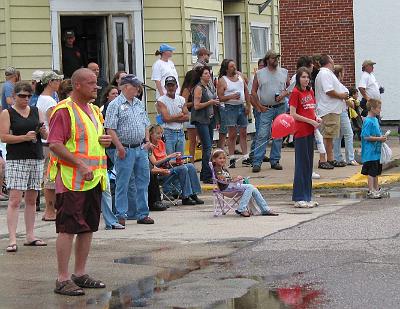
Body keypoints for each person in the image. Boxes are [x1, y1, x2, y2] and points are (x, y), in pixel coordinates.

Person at [47, 68, 110, 296]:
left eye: (96, 83)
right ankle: (62, 279)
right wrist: (81, 165)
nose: (96, 87)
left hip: (93, 179)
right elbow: (54, 144)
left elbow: (94, 140)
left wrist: (105, 140)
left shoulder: (94, 110)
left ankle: (80, 273)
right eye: (91, 83)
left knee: (87, 227)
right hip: (72, 179)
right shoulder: (64, 111)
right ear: (77, 86)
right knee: (68, 228)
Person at [0, 81, 48, 253]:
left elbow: (46, 134)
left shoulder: (37, 111)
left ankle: (30, 235)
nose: (25, 99)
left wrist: (43, 133)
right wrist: (24, 137)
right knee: (14, 199)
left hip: (35, 157)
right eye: (21, 96)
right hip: (16, 158)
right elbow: (4, 137)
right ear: (14, 97)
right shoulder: (8, 113)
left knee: (31, 199)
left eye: (28, 96)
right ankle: (12, 238)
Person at [104, 74, 154, 226]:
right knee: (123, 182)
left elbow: (145, 123)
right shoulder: (115, 105)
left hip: (140, 147)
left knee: (143, 181)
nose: (138, 89)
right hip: (125, 148)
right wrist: (119, 146)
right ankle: (121, 213)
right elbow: (110, 128)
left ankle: (142, 213)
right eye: (135, 86)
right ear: (125, 87)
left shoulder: (138, 103)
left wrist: (147, 141)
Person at [251, 51, 290, 172]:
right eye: (274, 58)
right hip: (266, 107)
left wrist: (283, 94)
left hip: (280, 106)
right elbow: (253, 91)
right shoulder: (260, 73)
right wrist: (258, 106)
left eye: (277, 58)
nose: (276, 60)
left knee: (278, 135)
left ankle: (275, 160)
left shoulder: (284, 72)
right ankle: (257, 161)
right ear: (267, 59)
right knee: (262, 134)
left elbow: (290, 88)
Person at [211, 149, 278, 217]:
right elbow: (222, 179)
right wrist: (234, 180)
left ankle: (265, 209)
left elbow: (228, 178)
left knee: (253, 189)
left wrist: (236, 178)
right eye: (220, 158)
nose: (222, 160)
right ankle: (242, 209)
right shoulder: (217, 169)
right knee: (250, 187)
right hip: (226, 189)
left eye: (224, 158)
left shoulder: (224, 169)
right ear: (214, 160)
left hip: (232, 187)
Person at [289, 67, 321, 208]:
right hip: (301, 131)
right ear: (298, 78)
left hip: (310, 131)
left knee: (309, 164)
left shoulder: (310, 91)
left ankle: (307, 197)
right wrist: (310, 121)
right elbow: (293, 114)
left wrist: (316, 118)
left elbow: (311, 110)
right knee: (301, 164)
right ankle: (298, 197)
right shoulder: (295, 92)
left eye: (307, 77)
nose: (306, 79)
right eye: (303, 77)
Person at [149, 124, 203, 205]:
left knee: (190, 166)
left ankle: (194, 194)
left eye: (161, 133)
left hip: (167, 168)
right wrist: (170, 156)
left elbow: (165, 161)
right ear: (151, 134)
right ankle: (186, 197)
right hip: (159, 173)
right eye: (157, 133)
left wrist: (175, 162)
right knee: (182, 169)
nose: (160, 135)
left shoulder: (161, 143)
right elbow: (155, 163)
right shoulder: (149, 147)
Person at [36, 71, 64, 221]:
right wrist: (54, 140)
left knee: (50, 175)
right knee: (51, 176)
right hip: (50, 144)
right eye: (56, 80)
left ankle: (51, 209)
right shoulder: (49, 101)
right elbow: (53, 124)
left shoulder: (43, 98)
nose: (59, 83)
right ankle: (50, 210)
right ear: (50, 83)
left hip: (46, 143)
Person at [315, 55, 349, 168]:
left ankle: (330, 158)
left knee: (330, 136)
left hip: (332, 109)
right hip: (328, 109)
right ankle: (323, 160)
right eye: (332, 59)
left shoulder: (327, 73)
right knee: (327, 135)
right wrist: (341, 96)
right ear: (329, 61)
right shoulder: (324, 73)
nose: (334, 61)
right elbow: (328, 90)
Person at [217, 59, 251, 168]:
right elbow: (221, 97)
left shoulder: (240, 76)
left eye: (234, 66)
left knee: (244, 131)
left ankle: (246, 156)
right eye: (231, 66)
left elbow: (246, 90)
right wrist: (231, 96)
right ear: (226, 69)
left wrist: (248, 105)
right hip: (230, 108)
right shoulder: (223, 80)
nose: (234, 68)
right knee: (232, 134)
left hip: (241, 106)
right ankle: (231, 157)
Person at [191, 65, 220, 184]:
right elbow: (196, 105)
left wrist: (217, 118)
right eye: (206, 74)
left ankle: (204, 173)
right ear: (201, 76)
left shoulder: (210, 86)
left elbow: (214, 101)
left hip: (210, 118)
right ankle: (207, 174)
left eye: (209, 73)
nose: (208, 75)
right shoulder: (198, 88)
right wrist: (210, 102)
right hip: (201, 119)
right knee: (207, 147)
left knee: (208, 147)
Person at [332, 65, 358, 166]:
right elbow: (350, 103)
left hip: (334, 111)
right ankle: (350, 158)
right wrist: (352, 102)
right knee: (349, 134)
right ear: (339, 74)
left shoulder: (333, 85)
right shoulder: (341, 87)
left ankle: (337, 157)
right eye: (343, 73)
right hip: (342, 111)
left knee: (338, 136)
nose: (344, 75)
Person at [156, 76, 189, 154]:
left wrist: (171, 118)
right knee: (170, 160)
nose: (171, 88)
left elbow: (187, 117)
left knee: (180, 159)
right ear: (165, 87)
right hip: (168, 133)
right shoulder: (161, 100)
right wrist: (179, 115)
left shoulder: (181, 99)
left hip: (180, 132)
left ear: (176, 86)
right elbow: (166, 118)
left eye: (172, 85)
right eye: (168, 86)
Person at [361, 99, 386, 199]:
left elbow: (377, 133)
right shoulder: (368, 121)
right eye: (379, 108)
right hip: (369, 153)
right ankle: (371, 190)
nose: (380, 110)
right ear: (372, 109)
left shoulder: (375, 119)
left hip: (376, 152)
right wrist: (379, 138)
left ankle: (376, 189)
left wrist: (382, 137)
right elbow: (366, 136)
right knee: (371, 173)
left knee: (376, 172)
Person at [181, 70, 199, 164]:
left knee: (198, 140)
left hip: (198, 115)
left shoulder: (197, 88)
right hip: (190, 115)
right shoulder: (187, 89)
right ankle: (191, 162)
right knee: (193, 141)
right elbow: (183, 104)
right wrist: (195, 102)